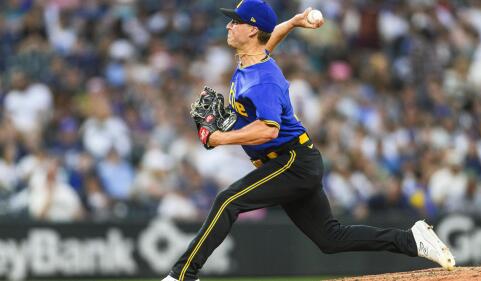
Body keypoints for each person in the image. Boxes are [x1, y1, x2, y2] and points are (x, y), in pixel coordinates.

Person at [163, 1, 455, 280]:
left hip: (291, 160)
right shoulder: (252, 59)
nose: (228, 26)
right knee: (331, 238)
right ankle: (411, 240)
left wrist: (219, 138)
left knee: (227, 201)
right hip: (295, 161)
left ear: (251, 30)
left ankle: (181, 275)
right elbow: (269, 39)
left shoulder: (263, 80)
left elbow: (269, 130)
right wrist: (292, 23)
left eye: (235, 21)